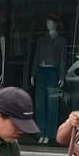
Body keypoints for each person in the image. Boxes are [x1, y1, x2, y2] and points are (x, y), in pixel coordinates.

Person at [31, 15, 67, 143]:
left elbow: (63, 59)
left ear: (56, 24)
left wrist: (62, 76)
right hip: (41, 71)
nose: (48, 24)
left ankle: (50, 134)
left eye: (50, 22)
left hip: (53, 72)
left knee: (52, 104)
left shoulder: (60, 40)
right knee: (40, 103)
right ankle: (40, 132)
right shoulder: (42, 39)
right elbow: (36, 57)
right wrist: (33, 74)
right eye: (47, 22)